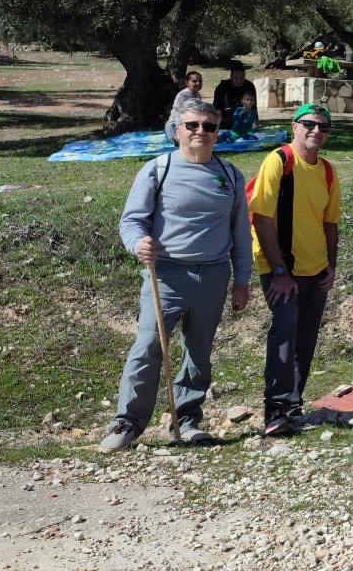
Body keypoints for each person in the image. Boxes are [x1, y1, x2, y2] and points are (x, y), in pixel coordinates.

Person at [103, 98, 252, 451]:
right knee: (148, 347)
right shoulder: (158, 169)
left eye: (209, 126)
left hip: (214, 275)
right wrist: (137, 243)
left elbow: (241, 235)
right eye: (193, 125)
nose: (201, 131)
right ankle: (127, 422)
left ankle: (186, 421)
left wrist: (242, 280)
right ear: (177, 131)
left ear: (217, 132)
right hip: (165, 274)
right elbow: (132, 221)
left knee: (198, 352)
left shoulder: (230, 174)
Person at [250, 102, 342, 436]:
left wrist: (331, 267)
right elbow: (261, 217)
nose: (316, 130)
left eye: (323, 126)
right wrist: (278, 271)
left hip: (316, 271)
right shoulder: (278, 161)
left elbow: (330, 224)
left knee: (305, 340)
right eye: (309, 124)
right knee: (284, 333)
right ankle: (275, 409)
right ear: (294, 126)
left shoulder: (328, 171)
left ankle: (293, 404)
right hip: (280, 270)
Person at [163, 70, 205, 143]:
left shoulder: (198, 96)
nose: (198, 83)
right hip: (176, 123)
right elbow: (184, 114)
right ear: (187, 83)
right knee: (171, 131)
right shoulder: (183, 96)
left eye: (200, 81)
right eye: (194, 81)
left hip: (191, 125)